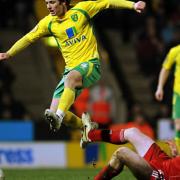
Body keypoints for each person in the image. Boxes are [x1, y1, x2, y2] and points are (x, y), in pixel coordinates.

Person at [0, 0, 146, 132]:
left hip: (90, 65)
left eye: (52, 2)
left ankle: (59, 116)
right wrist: (9, 53)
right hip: (70, 70)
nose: (48, 7)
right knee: (54, 111)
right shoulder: (49, 23)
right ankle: (85, 127)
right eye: (46, 3)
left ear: (63, 2)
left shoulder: (82, 9)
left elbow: (107, 2)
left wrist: (132, 5)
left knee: (62, 100)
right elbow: (29, 37)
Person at [80, 113, 180, 180]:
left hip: (161, 176)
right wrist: (176, 155)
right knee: (132, 132)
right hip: (164, 161)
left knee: (122, 153)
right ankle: (89, 134)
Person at [155, 45, 180, 154]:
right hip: (179, 94)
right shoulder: (175, 51)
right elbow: (165, 68)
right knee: (178, 126)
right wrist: (160, 87)